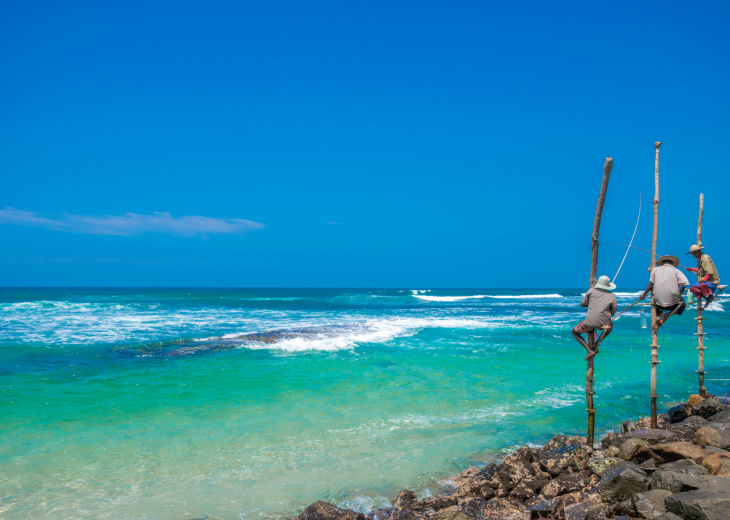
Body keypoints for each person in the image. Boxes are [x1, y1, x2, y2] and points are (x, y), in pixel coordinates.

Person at [639, 255, 689, 331]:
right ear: (672, 263)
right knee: (681, 305)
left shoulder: (655, 270)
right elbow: (684, 284)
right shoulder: (677, 271)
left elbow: (651, 285)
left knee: (657, 307)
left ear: (662, 263)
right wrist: (679, 294)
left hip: (658, 300)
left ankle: (657, 317)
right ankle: (662, 320)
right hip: (672, 301)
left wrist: (644, 294)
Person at [572, 275, 617, 360]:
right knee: (610, 326)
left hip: (589, 324)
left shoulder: (591, 291)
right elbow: (613, 312)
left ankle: (589, 351)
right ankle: (596, 344)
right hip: (604, 324)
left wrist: (593, 304)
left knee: (574, 332)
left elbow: (582, 304)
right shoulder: (612, 296)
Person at [683, 244, 721, 309]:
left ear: (698, 252)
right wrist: (691, 269)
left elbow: (710, 272)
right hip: (706, 281)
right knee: (692, 287)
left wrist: (704, 279)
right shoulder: (700, 259)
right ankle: (706, 298)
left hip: (712, 281)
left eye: (693, 254)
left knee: (702, 285)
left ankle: (710, 296)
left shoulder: (705, 258)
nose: (693, 256)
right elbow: (701, 270)